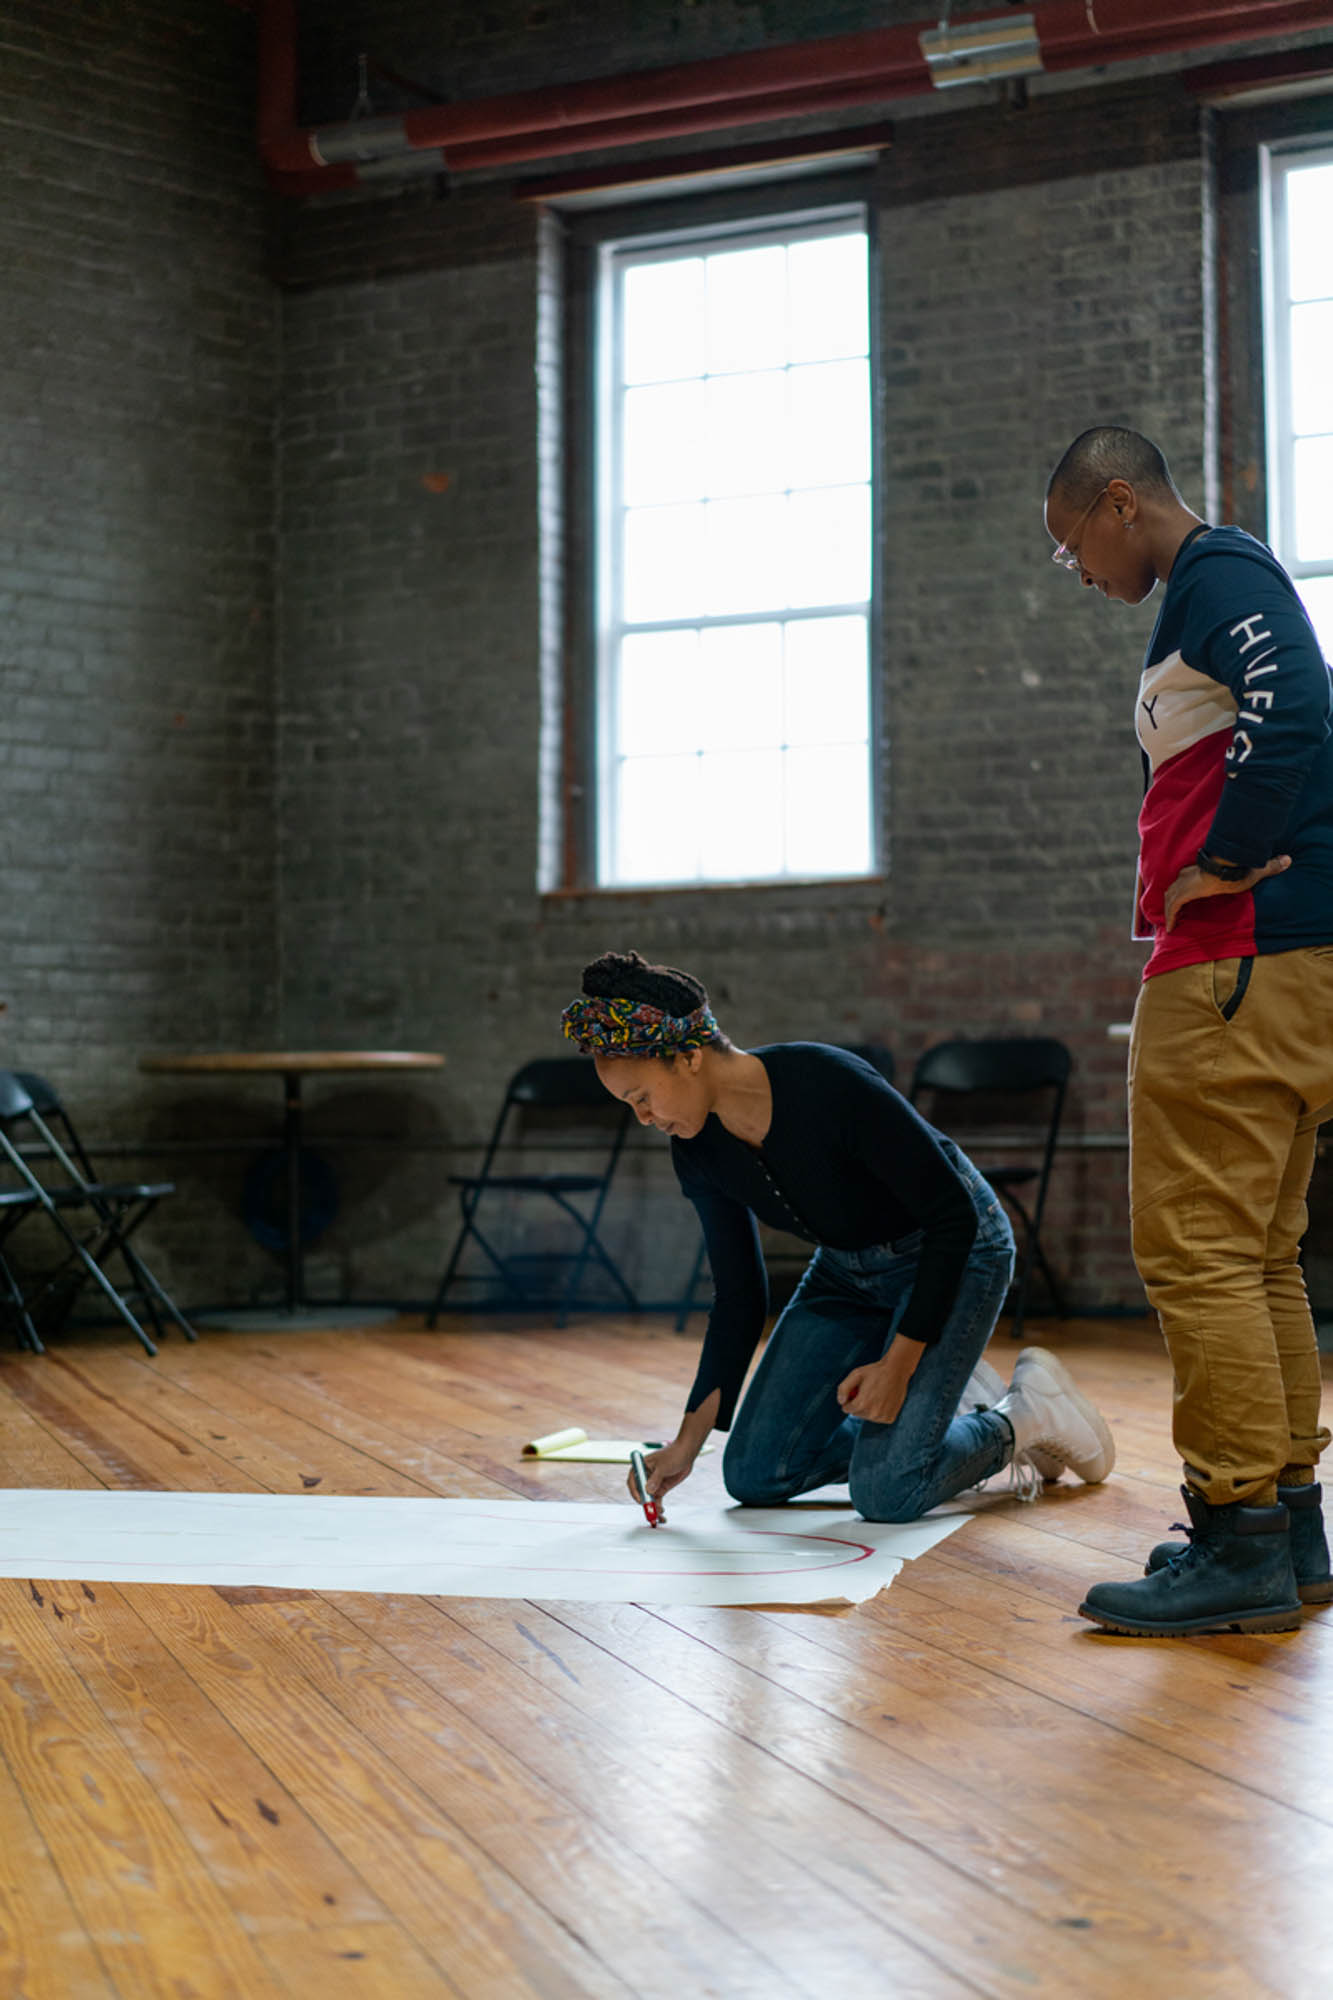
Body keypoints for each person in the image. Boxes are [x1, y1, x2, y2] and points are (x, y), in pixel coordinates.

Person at [1044, 425, 1333, 1638]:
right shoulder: (1214, 586)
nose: (1078, 570)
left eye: (1074, 543)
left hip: (1235, 965)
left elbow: (1300, 703)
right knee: (1258, 1255)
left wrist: (1220, 859)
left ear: (1121, 501)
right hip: (1277, 966)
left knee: (1199, 1255)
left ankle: (1233, 1542)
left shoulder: (1217, 571)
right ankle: (1287, 1525)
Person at [560, 949, 1114, 1522]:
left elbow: (953, 1216)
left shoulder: (826, 1081)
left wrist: (897, 1369)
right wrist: (686, 1443)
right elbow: (739, 1297)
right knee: (754, 1474)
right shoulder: (696, 1149)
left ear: (690, 1057)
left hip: (953, 1251)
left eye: (642, 1097)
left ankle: (1024, 1415)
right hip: (847, 1272)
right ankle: (943, 1407)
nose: (644, 1119)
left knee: (889, 1493)